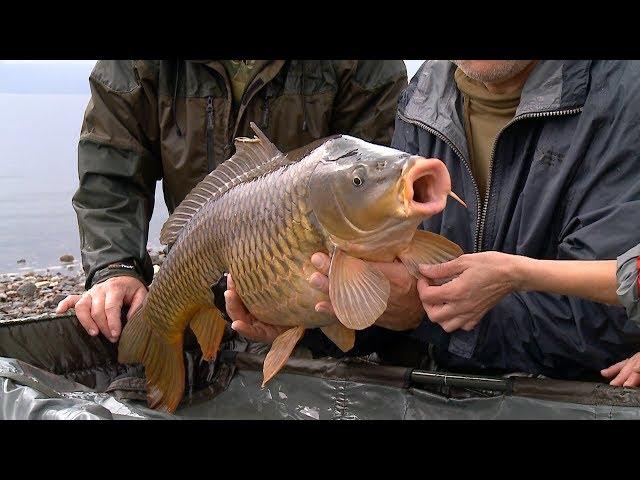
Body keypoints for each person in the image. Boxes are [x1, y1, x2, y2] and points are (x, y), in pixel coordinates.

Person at [227, 60, 640, 382]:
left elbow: (607, 319)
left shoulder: (622, 95)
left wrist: (426, 316)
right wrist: (308, 314)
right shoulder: (424, 96)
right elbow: (390, 297)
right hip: (438, 390)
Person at [56, 60, 408, 343]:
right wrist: (115, 267)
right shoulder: (134, 66)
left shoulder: (364, 67)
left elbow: (374, 180)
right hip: (197, 258)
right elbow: (112, 172)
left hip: (316, 288)